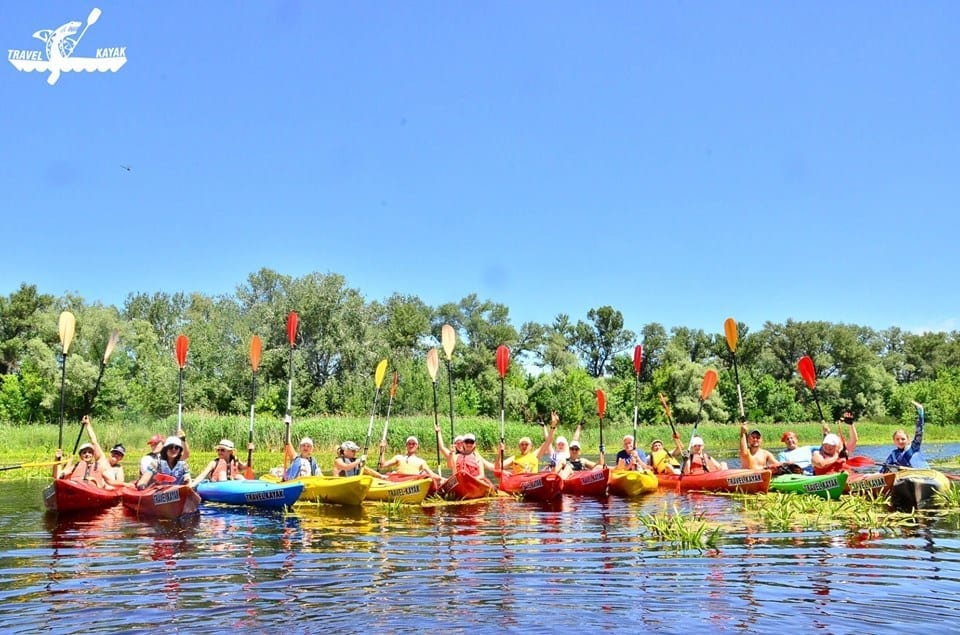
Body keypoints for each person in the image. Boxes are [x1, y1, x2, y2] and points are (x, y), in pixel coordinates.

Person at [881, 401, 929, 472]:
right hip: (906, 477)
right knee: (890, 468)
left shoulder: (914, 447)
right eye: (897, 439)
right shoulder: (893, 455)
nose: (900, 441)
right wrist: (874, 475)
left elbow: (919, 432)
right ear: (894, 441)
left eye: (903, 439)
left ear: (908, 440)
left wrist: (921, 414)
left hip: (924, 474)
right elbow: (883, 470)